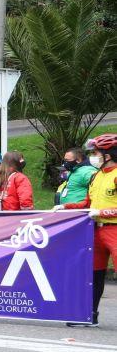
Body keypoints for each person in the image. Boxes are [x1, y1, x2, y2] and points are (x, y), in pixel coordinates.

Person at [54, 133, 117, 327]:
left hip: (114, 229)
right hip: (96, 230)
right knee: (93, 274)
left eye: (96, 152)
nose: (94, 156)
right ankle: (90, 314)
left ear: (108, 155)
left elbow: (99, 208)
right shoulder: (96, 176)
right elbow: (87, 203)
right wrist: (67, 207)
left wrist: (103, 211)